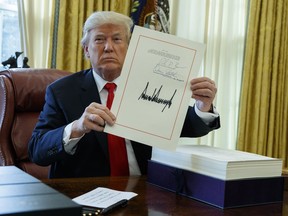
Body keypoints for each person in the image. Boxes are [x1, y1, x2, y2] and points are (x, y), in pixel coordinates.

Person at [28, 11, 220, 178]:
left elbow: (187, 125)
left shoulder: (150, 84)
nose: (109, 47)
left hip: (146, 189)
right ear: (87, 50)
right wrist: (77, 127)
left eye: (117, 39)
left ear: (130, 49)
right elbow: (37, 151)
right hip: (87, 192)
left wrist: (203, 107)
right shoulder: (61, 91)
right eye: (99, 39)